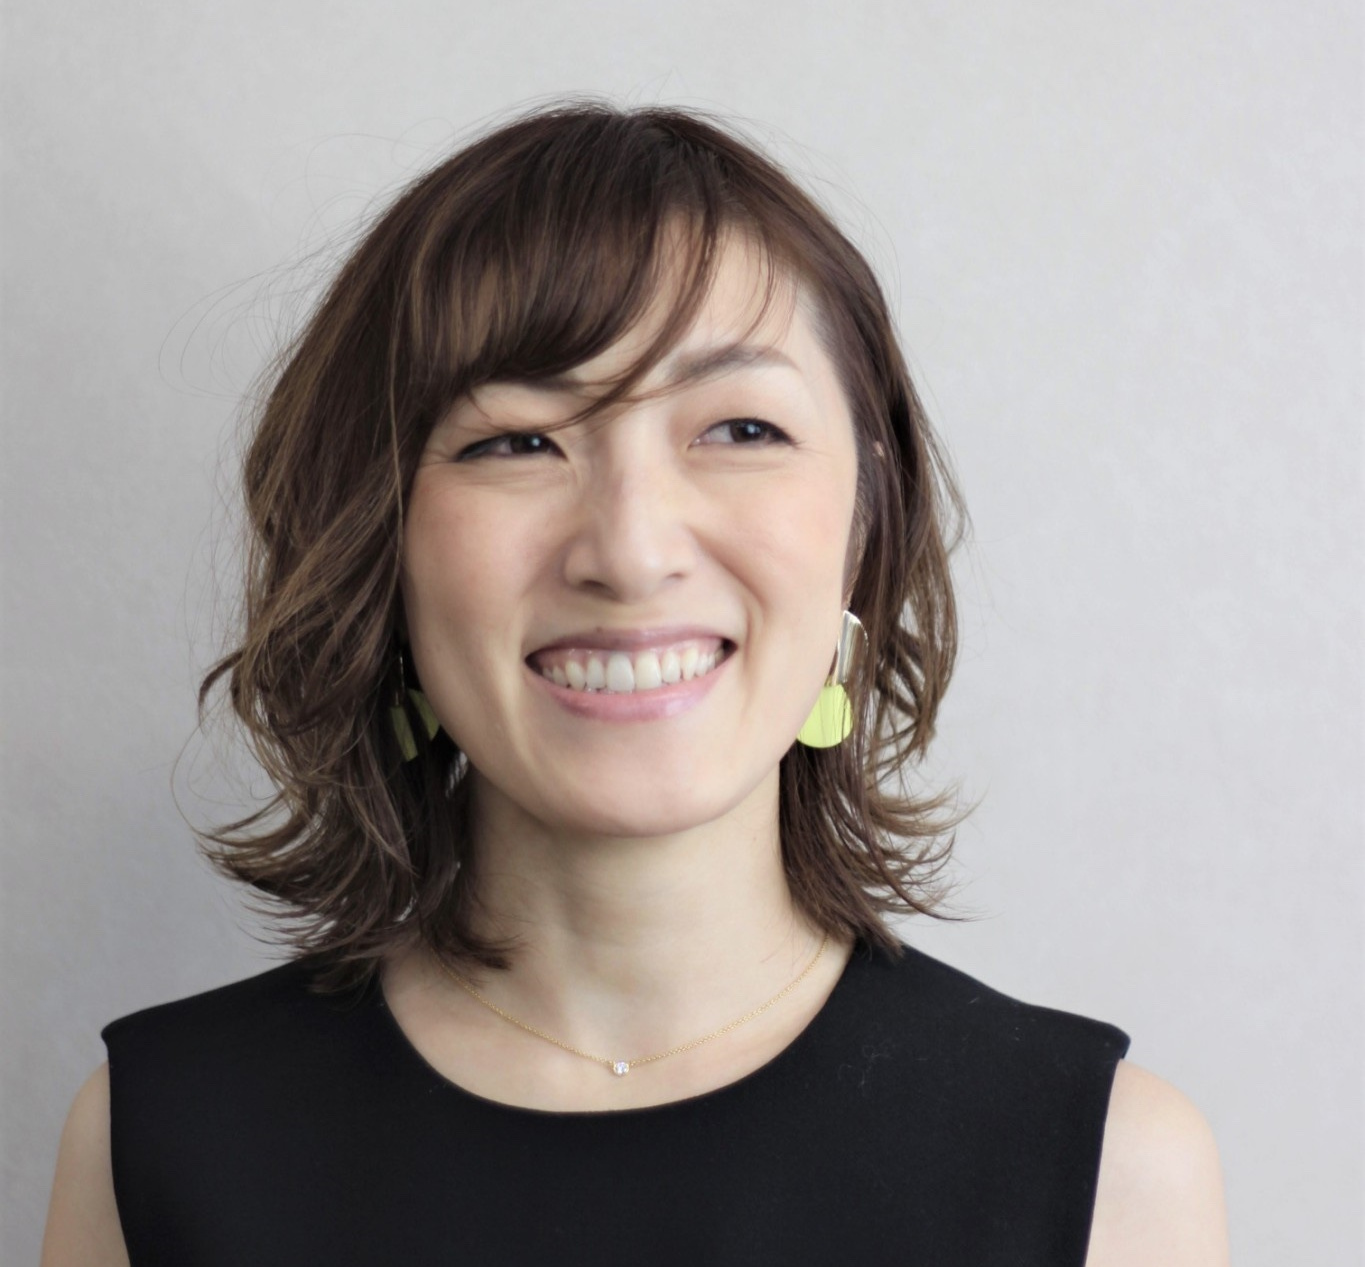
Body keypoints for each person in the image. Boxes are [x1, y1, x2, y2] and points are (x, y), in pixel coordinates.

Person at [41, 101, 1230, 1265]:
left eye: (740, 430)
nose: (631, 548)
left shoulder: (1109, 1175)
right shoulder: (159, 1146)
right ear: (376, 542)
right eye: (517, 440)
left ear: (864, 520)